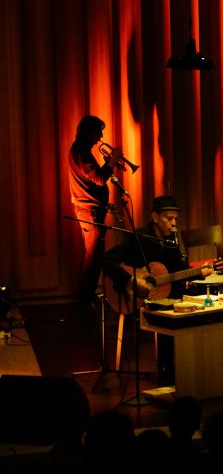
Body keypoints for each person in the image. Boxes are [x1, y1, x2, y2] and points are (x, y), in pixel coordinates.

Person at [104, 195, 212, 383]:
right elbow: (106, 260)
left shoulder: (172, 241)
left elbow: (177, 272)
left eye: (176, 219)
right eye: (169, 218)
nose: (174, 223)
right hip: (135, 299)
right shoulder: (138, 238)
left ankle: (186, 371)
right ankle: (168, 373)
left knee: (188, 304)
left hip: (163, 296)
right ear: (155, 217)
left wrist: (198, 273)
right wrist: (130, 281)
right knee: (168, 311)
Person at [69, 115, 123, 306]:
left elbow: (93, 181)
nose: (101, 136)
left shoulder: (82, 151)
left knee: (95, 256)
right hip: (89, 211)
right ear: (90, 131)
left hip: (93, 209)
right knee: (93, 258)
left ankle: (86, 298)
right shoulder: (81, 151)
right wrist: (111, 162)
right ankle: (84, 300)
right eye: (98, 131)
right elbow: (99, 178)